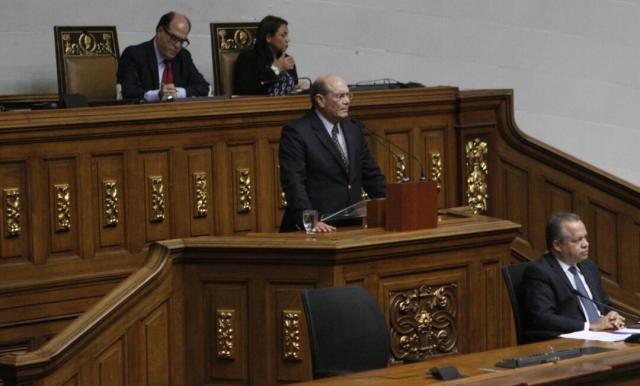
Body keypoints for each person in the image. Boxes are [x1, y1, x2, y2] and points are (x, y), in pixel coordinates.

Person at [278, 74, 386, 232]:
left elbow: (371, 175)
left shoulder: (353, 128)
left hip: (350, 227)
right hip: (316, 228)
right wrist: (310, 221)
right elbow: (294, 183)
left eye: (348, 95)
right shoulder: (297, 132)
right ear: (320, 100)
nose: (347, 101)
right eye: (340, 96)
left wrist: (395, 205)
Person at [522, 212, 625, 340]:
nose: (585, 244)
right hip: (570, 342)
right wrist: (589, 326)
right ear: (557, 245)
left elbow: (603, 303)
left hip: (604, 336)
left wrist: (611, 315)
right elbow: (543, 317)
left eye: (585, 238)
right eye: (577, 240)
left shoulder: (589, 267)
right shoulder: (539, 272)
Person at [117, 12, 209, 101]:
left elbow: (204, 87)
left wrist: (177, 92)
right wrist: (157, 95)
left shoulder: (183, 56)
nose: (177, 46)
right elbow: (128, 91)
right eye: (174, 38)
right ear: (160, 31)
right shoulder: (134, 55)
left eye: (182, 41)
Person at [233, 15, 298, 95]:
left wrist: (297, 87)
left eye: (287, 35)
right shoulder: (247, 59)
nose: (288, 39)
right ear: (269, 38)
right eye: (283, 35)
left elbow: (294, 85)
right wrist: (276, 69)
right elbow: (245, 90)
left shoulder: (287, 59)